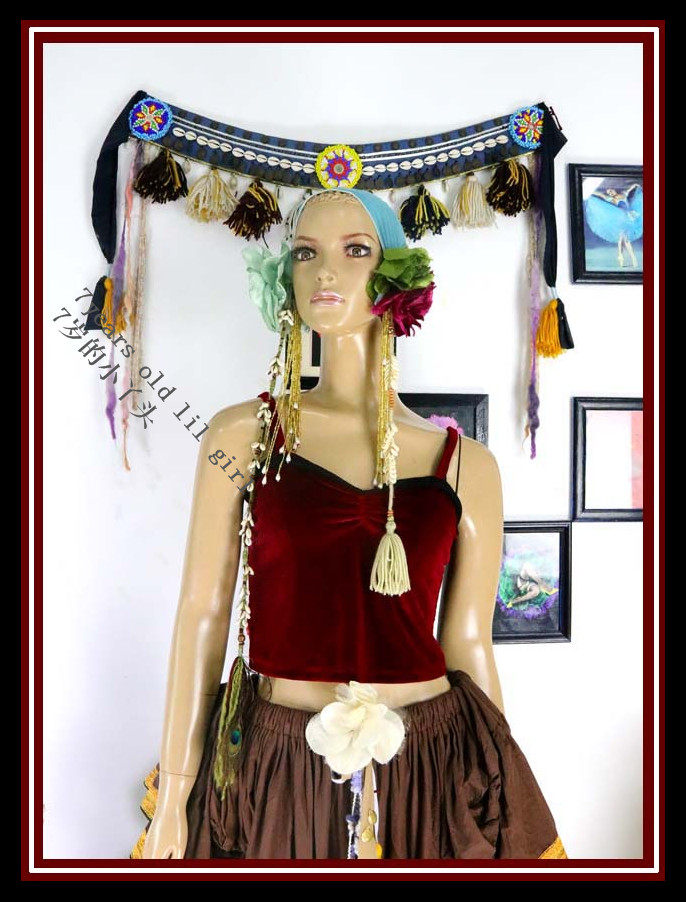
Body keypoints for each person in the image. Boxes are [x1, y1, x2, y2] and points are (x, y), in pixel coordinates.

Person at [134, 187, 566, 860]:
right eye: (306, 253)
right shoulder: (242, 435)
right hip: (279, 764)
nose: (325, 271)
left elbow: (469, 641)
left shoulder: (466, 466)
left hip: (431, 766)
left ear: (395, 276)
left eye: (355, 250)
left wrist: (502, 790)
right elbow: (202, 613)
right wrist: (178, 791)